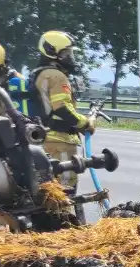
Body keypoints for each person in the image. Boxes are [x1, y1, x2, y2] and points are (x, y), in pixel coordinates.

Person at [32, 30, 94, 191]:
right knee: (64, 189)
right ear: (52, 52)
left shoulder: (39, 73)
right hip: (59, 141)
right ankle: (64, 217)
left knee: (48, 186)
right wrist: (85, 122)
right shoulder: (57, 76)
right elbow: (62, 108)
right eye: (67, 53)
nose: (70, 58)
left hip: (45, 139)